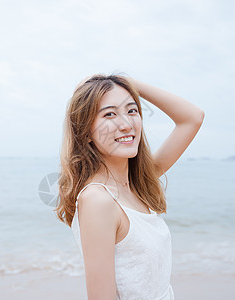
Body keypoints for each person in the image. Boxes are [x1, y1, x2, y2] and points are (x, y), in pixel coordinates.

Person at [55, 73, 204, 300]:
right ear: (85, 132)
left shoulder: (138, 182)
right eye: (110, 114)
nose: (126, 124)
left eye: (132, 110)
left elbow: (193, 117)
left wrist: (126, 82)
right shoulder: (98, 200)